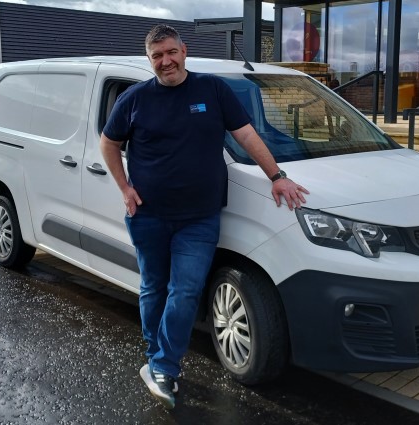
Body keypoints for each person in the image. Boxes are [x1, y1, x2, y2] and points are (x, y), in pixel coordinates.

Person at [99, 24, 308, 409]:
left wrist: (277, 177)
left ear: (184, 50)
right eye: (157, 56)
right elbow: (108, 142)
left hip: (199, 218)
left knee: (186, 291)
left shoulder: (213, 90)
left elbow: (246, 135)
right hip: (149, 216)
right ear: (150, 60)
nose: (166, 61)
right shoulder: (134, 98)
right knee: (153, 288)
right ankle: (156, 356)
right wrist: (125, 188)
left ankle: (162, 364)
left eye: (171, 52)